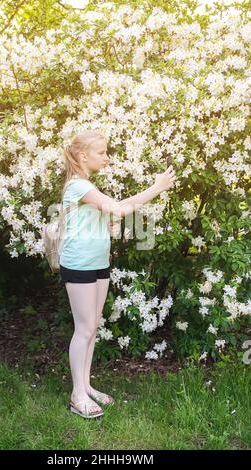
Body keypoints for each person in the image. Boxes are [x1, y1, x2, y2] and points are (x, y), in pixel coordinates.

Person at [60, 130, 176, 419]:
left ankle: (85, 386)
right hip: (80, 265)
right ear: (83, 156)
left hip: (98, 263)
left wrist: (105, 223)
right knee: (84, 328)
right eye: (102, 152)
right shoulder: (77, 185)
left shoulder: (88, 186)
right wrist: (157, 187)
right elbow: (120, 209)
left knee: (93, 326)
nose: (107, 157)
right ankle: (76, 396)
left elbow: (107, 214)